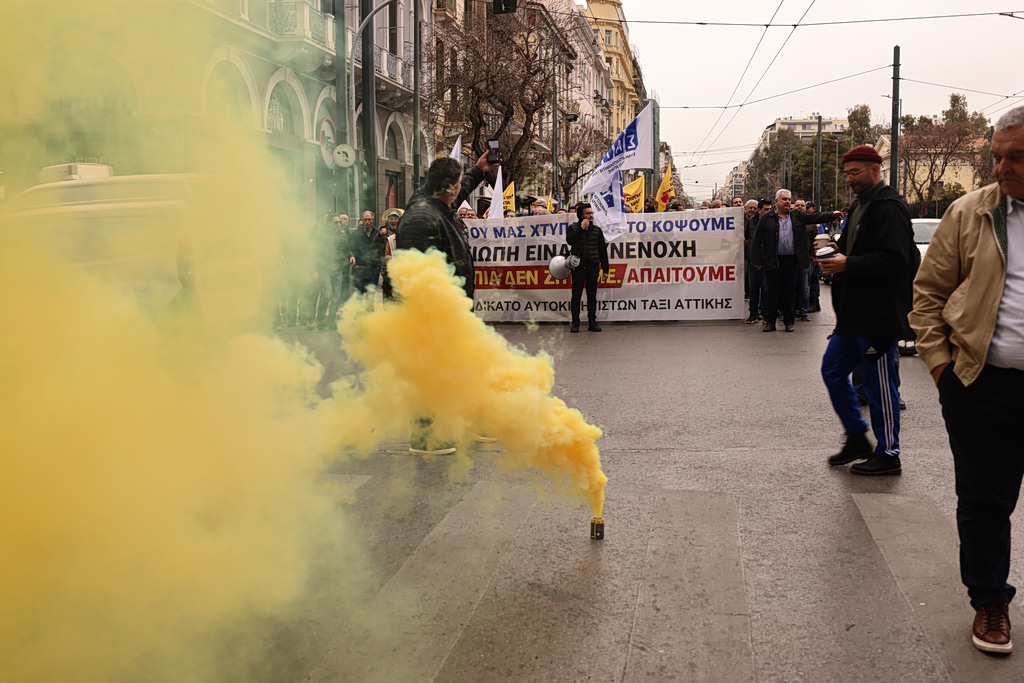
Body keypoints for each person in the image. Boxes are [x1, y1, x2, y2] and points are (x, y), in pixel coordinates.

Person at [910, 105, 1024, 654]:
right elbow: (929, 293)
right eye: (996, 156)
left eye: (1017, 157)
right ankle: (990, 602)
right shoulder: (970, 212)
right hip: (983, 383)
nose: (1002, 168)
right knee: (983, 502)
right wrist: (941, 368)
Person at [819, 144, 917, 476]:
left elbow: (896, 258)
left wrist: (849, 263)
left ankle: (889, 453)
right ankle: (857, 437)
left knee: (879, 384)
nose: (850, 179)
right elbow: (855, 250)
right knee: (832, 371)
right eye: (846, 173)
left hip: (878, 315)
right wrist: (836, 251)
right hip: (853, 315)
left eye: (855, 172)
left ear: (875, 170)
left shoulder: (888, 207)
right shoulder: (861, 205)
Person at [396, 152, 498, 455]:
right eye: (457, 186)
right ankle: (425, 437)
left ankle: (465, 419)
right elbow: (418, 279)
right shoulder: (422, 219)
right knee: (430, 372)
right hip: (432, 314)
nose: (459, 191)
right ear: (449, 188)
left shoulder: (431, 202)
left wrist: (477, 172)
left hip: (450, 310)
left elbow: (457, 190)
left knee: (463, 365)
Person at [751, 190, 841, 332]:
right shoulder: (767, 218)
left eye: (789, 199)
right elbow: (757, 240)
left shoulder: (797, 215)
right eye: (784, 199)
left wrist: (830, 215)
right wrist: (756, 259)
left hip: (792, 260)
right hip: (772, 260)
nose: (787, 202)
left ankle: (789, 321)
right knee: (771, 292)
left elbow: (814, 217)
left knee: (789, 291)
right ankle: (770, 321)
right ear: (776, 202)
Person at [566, 203, 609, 333]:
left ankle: (592, 321)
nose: (591, 216)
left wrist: (605, 270)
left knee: (592, 295)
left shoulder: (597, 230)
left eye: (591, 213)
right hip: (578, 268)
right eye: (588, 213)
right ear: (581, 215)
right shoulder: (573, 228)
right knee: (576, 295)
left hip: (593, 267)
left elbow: (602, 250)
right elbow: (570, 241)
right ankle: (575, 322)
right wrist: (581, 229)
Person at [311, 213, 354, 330]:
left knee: (336, 297)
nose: (339, 224)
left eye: (340, 222)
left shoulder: (342, 235)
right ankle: (320, 318)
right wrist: (315, 270)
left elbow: (346, 248)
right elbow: (316, 254)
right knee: (327, 295)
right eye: (336, 222)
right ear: (329, 223)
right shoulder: (321, 235)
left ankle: (331, 320)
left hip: (338, 269)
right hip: (325, 269)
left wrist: (351, 256)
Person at [350, 211, 386, 296]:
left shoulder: (378, 233)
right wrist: (355, 264)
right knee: (358, 294)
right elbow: (352, 248)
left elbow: (381, 250)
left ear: (373, 220)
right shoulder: (356, 233)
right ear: (362, 220)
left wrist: (379, 265)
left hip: (374, 268)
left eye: (369, 219)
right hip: (360, 268)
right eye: (365, 220)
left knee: (371, 295)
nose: (367, 222)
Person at [743, 199, 762, 324]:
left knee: (766, 288)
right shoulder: (747, 222)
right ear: (745, 208)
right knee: (753, 288)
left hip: (766, 259)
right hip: (751, 258)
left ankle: (765, 313)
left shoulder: (768, 221)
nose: (753, 210)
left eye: (755, 208)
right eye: (750, 207)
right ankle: (753, 313)